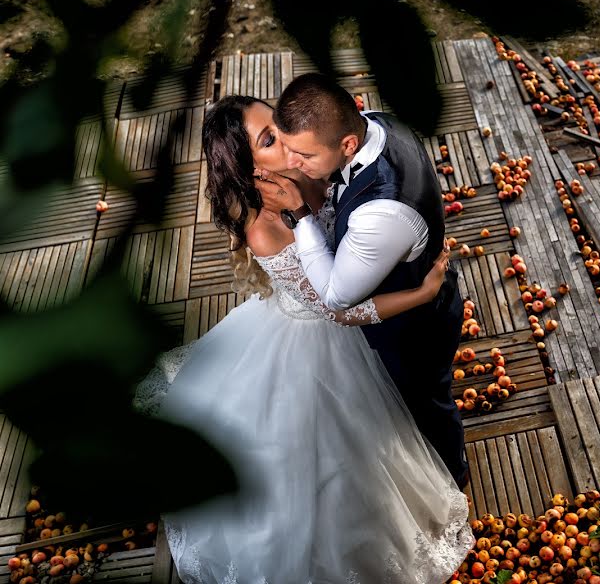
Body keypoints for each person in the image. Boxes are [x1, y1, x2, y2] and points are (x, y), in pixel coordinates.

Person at [133, 95, 473, 584]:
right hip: (320, 337)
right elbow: (339, 310)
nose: (289, 139)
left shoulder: (307, 164)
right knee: (325, 467)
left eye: (278, 123)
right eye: (270, 139)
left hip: (343, 317)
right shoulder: (266, 226)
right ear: (253, 172)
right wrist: (420, 294)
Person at [254, 73, 469, 489]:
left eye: (303, 155)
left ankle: (453, 478)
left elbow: (336, 296)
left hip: (413, 329)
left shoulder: (380, 213)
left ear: (347, 145)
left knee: (427, 404)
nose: (293, 162)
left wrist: (299, 214)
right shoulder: (377, 121)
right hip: (411, 287)